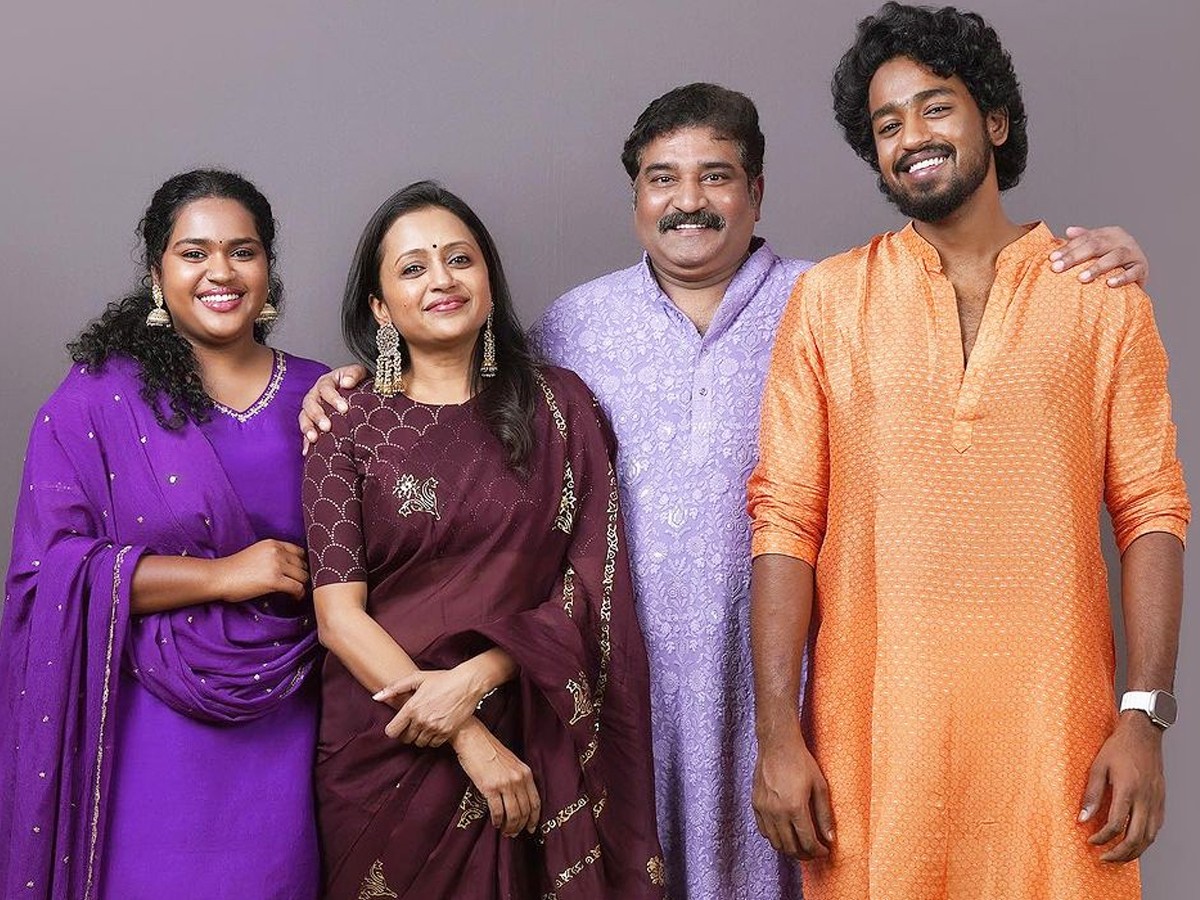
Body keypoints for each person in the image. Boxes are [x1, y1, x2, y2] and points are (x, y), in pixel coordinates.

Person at [298, 84, 1152, 900]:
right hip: (610, 684)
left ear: (757, 191)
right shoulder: (574, 326)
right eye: (662, 179)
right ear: (635, 197)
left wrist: (1094, 260)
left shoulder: (834, 300)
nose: (688, 202)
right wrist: (347, 386)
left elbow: (965, 324)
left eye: (715, 176)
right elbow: (459, 398)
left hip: (794, 690)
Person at [748, 5, 1189, 899]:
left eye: (935, 107)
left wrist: (1143, 719)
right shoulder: (830, 301)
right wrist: (778, 735)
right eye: (886, 124)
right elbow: (785, 523)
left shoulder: (1102, 297)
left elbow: (1153, 510)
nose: (911, 137)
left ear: (994, 120)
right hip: (876, 747)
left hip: (1056, 745)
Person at [301, 180, 664, 899]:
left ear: (489, 281)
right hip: (388, 737)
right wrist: (466, 734)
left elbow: (592, 585)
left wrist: (474, 681)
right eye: (413, 268)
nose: (441, 279)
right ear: (380, 307)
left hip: (532, 719)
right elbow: (338, 616)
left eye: (459, 259)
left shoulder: (560, 408)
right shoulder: (345, 424)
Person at [0, 170, 325, 899]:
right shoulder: (97, 398)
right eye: (194, 253)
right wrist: (226, 576)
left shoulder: (325, 393)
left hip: (293, 719)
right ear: (157, 274)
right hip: (151, 727)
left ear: (268, 268)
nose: (221, 272)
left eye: (243, 251)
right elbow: (46, 573)